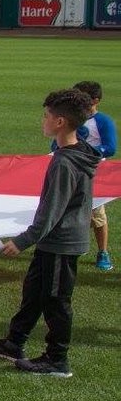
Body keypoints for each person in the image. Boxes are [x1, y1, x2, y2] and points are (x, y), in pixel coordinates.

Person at [0, 89, 100, 378]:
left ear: (59, 122)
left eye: (46, 115)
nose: (42, 120)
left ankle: (57, 359)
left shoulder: (64, 162)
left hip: (62, 244)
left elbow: (51, 213)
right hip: (53, 242)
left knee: (56, 301)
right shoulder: (78, 152)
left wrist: (21, 241)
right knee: (33, 294)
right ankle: (14, 342)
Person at [70, 80, 114, 270]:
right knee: (69, 208)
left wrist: (85, 151)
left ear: (95, 100)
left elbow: (110, 147)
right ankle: (73, 244)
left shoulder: (102, 121)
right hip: (71, 170)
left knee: (97, 213)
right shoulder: (71, 117)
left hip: (93, 173)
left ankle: (102, 251)